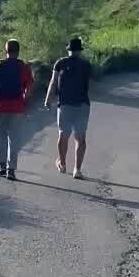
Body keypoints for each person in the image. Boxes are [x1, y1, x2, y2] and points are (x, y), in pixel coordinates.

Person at [0, 39, 34, 178]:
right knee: (14, 138)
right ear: (18, 51)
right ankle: (11, 169)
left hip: (0, 107)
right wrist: (25, 100)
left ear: (6, 51)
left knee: (1, 136)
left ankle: (2, 166)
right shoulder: (24, 67)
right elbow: (29, 87)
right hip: (17, 107)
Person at [45, 36, 93, 179]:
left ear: (69, 50)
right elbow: (90, 85)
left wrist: (48, 99)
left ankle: (63, 164)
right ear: (80, 51)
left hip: (64, 104)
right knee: (80, 138)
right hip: (82, 104)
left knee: (63, 135)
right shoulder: (86, 64)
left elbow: (53, 82)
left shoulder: (60, 63)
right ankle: (77, 170)